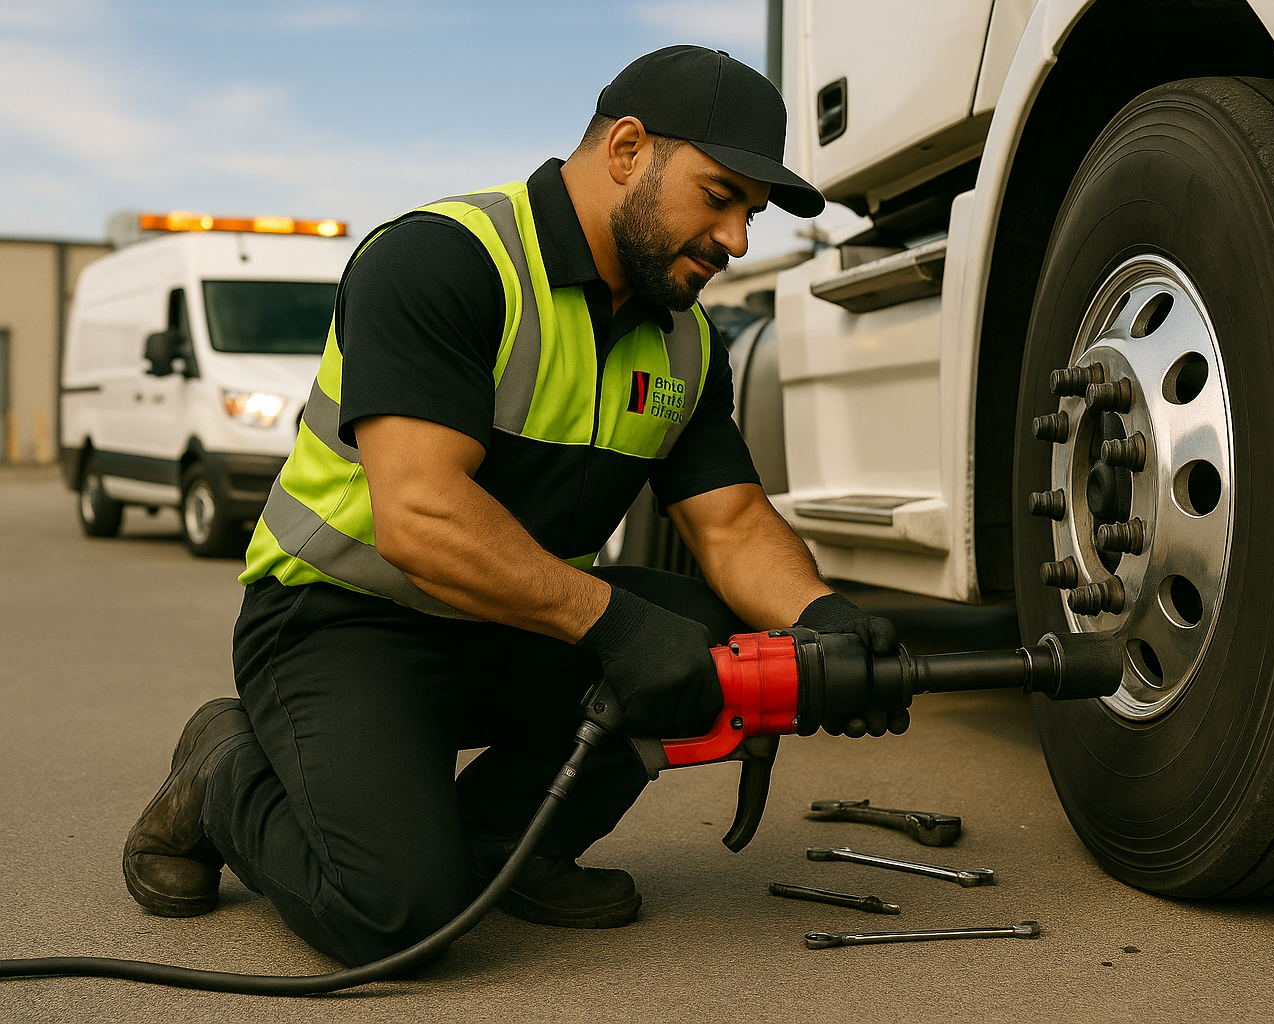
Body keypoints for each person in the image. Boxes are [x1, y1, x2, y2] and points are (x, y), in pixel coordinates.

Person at [119, 44, 900, 967]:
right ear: (626, 148)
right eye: (719, 196)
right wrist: (617, 625)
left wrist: (826, 625)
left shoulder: (684, 342)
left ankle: (502, 846)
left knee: (737, 641)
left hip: (518, 622)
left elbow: (728, 524)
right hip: (341, 622)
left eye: (750, 215)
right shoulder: (445, 260)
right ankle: (222, 769)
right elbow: (421, 516)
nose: (735, 241)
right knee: (395, 917)